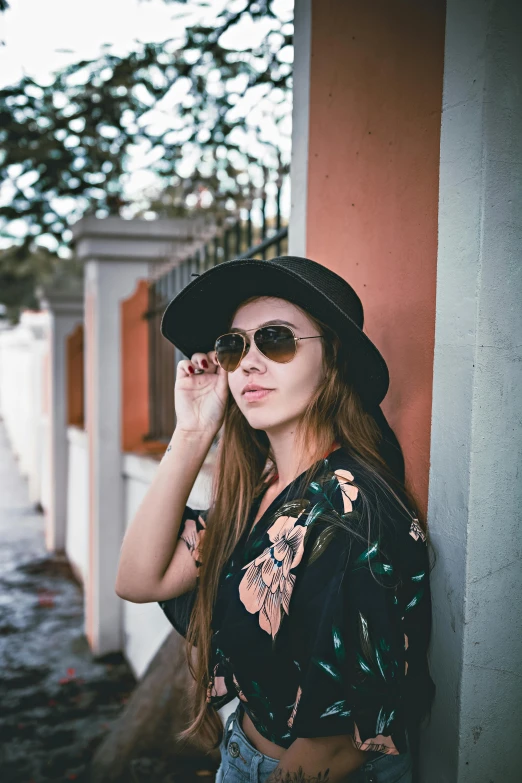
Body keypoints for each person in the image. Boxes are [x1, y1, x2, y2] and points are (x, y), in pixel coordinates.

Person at [115, 255, 436, 783]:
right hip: (244, 751)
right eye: (233, 346)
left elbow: (333, 743)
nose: (248, 363)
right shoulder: (261, 491)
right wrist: (194, 432)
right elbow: (138, 578)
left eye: (277, 340)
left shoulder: (347, 511)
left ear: (332, 361)